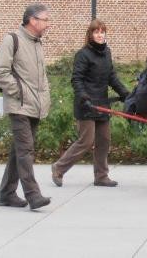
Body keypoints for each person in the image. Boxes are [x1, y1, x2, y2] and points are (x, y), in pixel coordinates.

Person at [51, 19, 129, 188]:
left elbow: (112, 77)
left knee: (104, 140)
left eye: (102, 32)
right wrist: (83, 96)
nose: (100, 35)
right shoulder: (83, 54)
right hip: (86, 104)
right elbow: (76, 79)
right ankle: (58, 168)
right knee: (86, 141)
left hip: (102, 103)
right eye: (96, 32)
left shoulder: (107, 52)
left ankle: (101, 176)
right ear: (90, 35)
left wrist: (124, 93)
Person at [0, 3, 52, 210]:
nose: (48, 24)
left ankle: (7, 194)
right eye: (45, 19)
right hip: (18, 105)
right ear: (33, 20)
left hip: (34, 106)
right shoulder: (12, 39)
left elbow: (40, 77)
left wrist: (44, 99)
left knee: (19, 151)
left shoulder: (37, 43)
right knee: (25, 150)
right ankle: (33, 195)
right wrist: (18, 91)